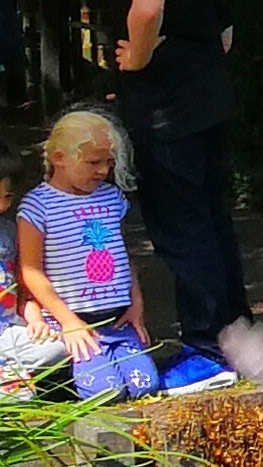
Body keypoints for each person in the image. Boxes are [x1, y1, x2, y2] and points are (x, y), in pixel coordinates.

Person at [114, 0, 250, 357]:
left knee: (181, 227)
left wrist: (138, 55)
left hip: (166, 109)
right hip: (211, 98)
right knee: (213, 219)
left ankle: (206, 344)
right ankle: (237, 333)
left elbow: (148, 6)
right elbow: (226, 38)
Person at [17, 109, 158, 398]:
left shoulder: (110, 197)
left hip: (117, 318)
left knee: (146, 386)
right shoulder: (38, 206)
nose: (103, 171)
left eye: (108, 162)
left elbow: (118, 253)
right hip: (76, 318)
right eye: (93, 162)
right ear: (59, 158)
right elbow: (31, 270)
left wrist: (135, 302)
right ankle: (60, 382)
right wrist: (67, 321)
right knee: (106, 392)